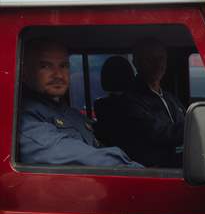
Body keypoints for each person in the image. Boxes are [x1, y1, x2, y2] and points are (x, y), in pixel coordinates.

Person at [19, 39, 141, 167]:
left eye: (63, 65)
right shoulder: (25, 118)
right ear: (24, 73)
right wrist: (138, 171)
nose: (58, 75)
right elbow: (79, 157)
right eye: (45, 66)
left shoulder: (70, 113)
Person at [122, 39, 185, 167]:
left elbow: (185, 119)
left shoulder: (169, 97)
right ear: (136, 63)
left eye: (161, 58)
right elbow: (158, 133)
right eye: (150, 59)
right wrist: (196, 128)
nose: (158, 64)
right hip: (157, 169)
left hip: (182, 162)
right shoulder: (130, 101)